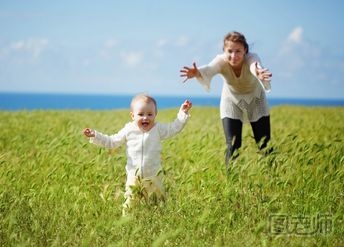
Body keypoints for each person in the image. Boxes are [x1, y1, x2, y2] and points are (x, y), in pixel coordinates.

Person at [83, 93, 192, 215]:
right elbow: (112, 141)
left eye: (150, 114)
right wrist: (95, 135)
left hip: (154, 176)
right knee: (130, 203)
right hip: (134, 177)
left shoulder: (158, 129)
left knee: (158, 203)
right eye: (141, 114)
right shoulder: (129, 130)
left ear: (155, 114)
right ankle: (126, 223)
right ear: (132, 115)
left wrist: (183, 113)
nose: (145, 118)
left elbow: (174, 128)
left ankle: (158, 222)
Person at [180, 31, 272, 172]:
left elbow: (255, 66)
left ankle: (272, 175)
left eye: (238, 51)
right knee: (233, 144)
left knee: (264, 144)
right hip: (231, 100)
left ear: (245, 50)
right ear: (224, 50)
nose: (234, 56)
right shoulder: (221, 61)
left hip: (256, 99)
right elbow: (209, 69)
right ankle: (232, 179)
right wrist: (197, 73)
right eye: (230, 51)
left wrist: (259, 73)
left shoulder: (252, 58)